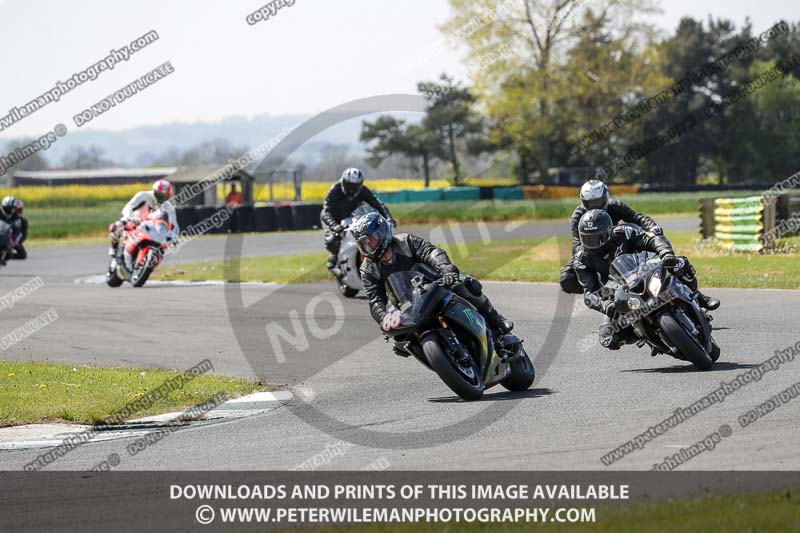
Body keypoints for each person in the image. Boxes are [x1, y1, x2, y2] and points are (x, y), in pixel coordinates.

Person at [574, 209, 720, 350]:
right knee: (609, 338)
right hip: (617, 291)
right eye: (587, 238)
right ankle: (646, 335)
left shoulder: (623, 232)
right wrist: (605, 305)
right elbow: (590, 293)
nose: (592, 243)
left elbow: (651, 239)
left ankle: (699, 297)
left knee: (679, 263)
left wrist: (665, 252)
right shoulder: (581, 260)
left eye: (596, 238)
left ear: (608, 231)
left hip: (646, 269)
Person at [354, 212, 513, 340]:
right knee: (400, 340)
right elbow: (375, 300)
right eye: (364, 244)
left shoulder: (406, 242)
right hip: (407, 304)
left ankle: (497, 322)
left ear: (382, 234)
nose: (368, 246)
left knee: (466, 284)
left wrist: (447, 270)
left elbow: (431, 252)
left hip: (436, 285)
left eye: (371, 240)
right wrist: (383, 319)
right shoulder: (368, 269)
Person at [560, 179, 663, 295]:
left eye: (598, 202)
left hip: (617, 242)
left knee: (643, 236)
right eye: (590, 203)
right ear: (584, 202)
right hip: (591, 248)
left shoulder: (615, 206)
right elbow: (576, 243)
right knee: (566, 278)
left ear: (605, 198)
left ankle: (658, 266)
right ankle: (598, 290)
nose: (595, 206)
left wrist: (653, 227)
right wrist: (590, 257)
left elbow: (637, 218)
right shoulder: (578, 215)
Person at [321, 167, 395, 271]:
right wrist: (335, 226)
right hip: (334, 219)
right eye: (350, 186)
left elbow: (378, 204)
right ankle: (334, 258)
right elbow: (326, 211)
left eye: (355, 186)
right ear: (343, 182)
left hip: (353, 217)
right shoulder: (335, 190)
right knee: (333, 240)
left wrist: (389, 218)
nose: (352, 189)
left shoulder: (363, 190)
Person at [108, 179, 179, 256]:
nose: (162, 199)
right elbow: (128, 207)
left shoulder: (169, 206)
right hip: (135, 220)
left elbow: (173, 223)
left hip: (151, 227)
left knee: (161, 243)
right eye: (160, 195)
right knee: (116, 226)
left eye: (165, 196)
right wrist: (130, 217)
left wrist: (173, 237)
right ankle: (113, 249)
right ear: (154, 192)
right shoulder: (143, 195)